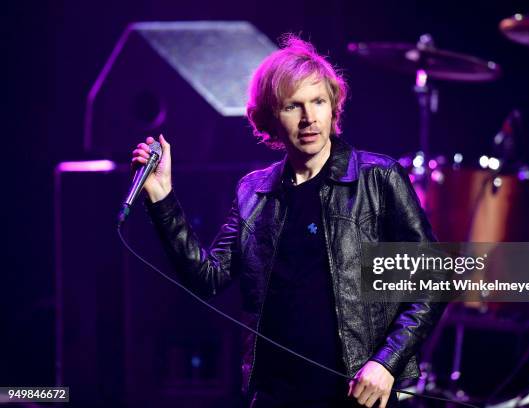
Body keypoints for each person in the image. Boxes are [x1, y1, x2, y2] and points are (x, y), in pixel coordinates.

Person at [131, 35, 444, 408]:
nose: (309, 118)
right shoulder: (254, 191)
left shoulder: (378, 178)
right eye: (293, 106)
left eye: (318, 102)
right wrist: (162, 198)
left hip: (355, 395)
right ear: (269, 117)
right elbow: (208, 279)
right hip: (276, 394)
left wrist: (386, 363)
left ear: (333, 108)